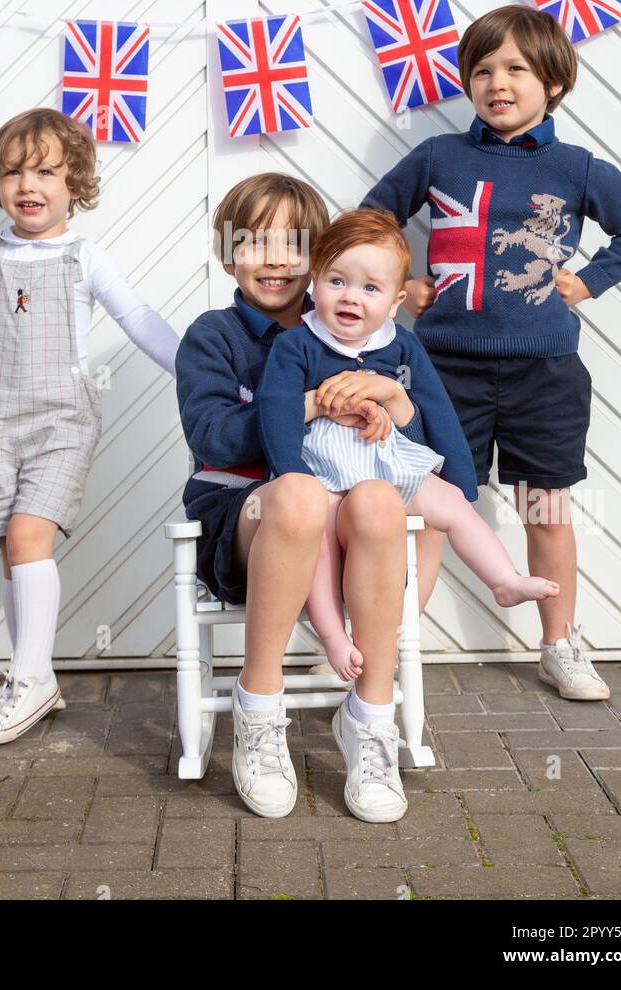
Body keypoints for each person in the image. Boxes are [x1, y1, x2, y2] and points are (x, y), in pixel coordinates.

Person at [361, 4, 621, 700]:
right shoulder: (439, 156)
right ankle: (396, 645)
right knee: (432, 506)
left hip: (544, 372)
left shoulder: (575, 167)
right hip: (442, 371)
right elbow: (373, 219)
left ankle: (559, 644)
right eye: (483, 69)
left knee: (547, 508)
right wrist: (400, 281)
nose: (498, 82)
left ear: (552, 83)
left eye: (517, 69)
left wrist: (586, 283)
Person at [0, 108, 178, 743]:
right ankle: (36, 672)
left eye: (46, 171)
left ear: (75, 183)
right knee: (11, 549)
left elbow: (137, 316)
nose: (28, 185)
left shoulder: (84, 258)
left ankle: (27, 681)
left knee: (30, 535)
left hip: (61, 419)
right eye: (13, 172)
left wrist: (195, 369)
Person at [175, 174, 413, 822]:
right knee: (300, 494)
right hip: (240, 516)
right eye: (257, 241)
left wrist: (387, 401)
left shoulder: (348, 332)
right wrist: (301, 404)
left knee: (382, 502)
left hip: (338, 518)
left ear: (321, 257)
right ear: (229, 255)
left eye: (296, 243)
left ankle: (369, 719)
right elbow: (214, 436)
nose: (277, 258)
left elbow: (406, 433)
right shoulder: (211, 336)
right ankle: (258, 703)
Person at [256, 208, 559, 684]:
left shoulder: (401, 346)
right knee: (317, 539)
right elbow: (275, 412)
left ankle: (503, 579)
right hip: (328, 471)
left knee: (452, 504)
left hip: (388, 462)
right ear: (314, 281)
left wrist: (457, 478)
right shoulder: (297, 345)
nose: (351, 297)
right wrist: (291, 472)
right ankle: (335, 636)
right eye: (337, 281)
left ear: (395, 301)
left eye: (370, 288)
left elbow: (436, 410)